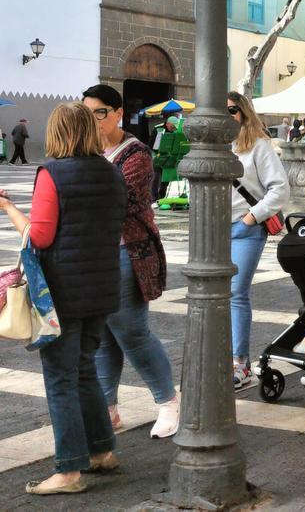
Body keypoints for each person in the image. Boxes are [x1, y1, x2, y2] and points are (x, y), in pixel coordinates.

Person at [0, 102, 125, 495]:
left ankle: (68, 470)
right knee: (83, 371)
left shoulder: (53, 173)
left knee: (61, 379)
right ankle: (101, 452)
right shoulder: (111, 172)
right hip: (102, 287)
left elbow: (40, 236)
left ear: (56, 132)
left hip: (61, 292)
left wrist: (8, 207)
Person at [81, 85, 178, 439]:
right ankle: (108, 409)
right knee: (104, 334)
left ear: (118, 113)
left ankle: (168, 401)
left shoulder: (136, 154)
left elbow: (120, 202)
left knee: (132, 332)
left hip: (127, 252)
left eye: (100, 113)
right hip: (94, 255)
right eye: (87, 113)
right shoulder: (87, 151)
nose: (93, 120)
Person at [226, 92, 291, 390]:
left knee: (236, 293)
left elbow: (279, 190)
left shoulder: (257, 146)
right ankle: (218, 357)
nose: (226, 116)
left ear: (243, 112)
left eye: (231, 110)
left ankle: (241, 363)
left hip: (243, 229)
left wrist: (252, 217)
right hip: (211, 231)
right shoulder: (208, 145)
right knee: (210, 296)